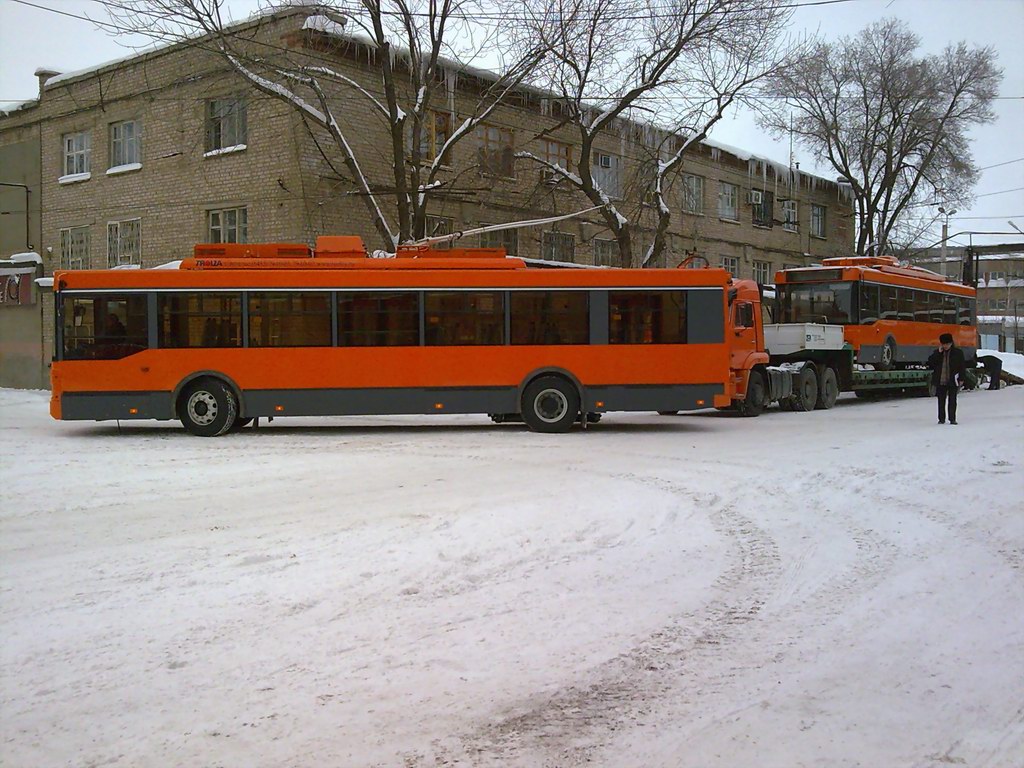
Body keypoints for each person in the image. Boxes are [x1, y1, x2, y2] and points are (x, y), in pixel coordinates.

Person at [927, 333, 967, 425]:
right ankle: (941, 419)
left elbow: (962, 366)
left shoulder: (958, 353)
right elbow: (930, 363)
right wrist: (938, 353)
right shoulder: (938, 353)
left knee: (952, 400)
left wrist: (962, 378)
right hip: (940, 380)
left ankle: (952, 418)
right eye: (943, 344)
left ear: (951, 343)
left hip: (953, 380)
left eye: (947, 344)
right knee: (941, 400)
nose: (945, 346)